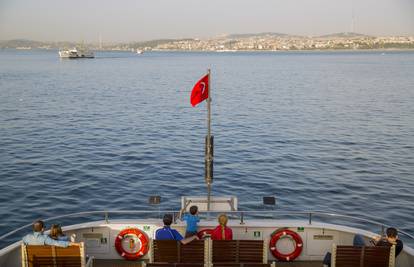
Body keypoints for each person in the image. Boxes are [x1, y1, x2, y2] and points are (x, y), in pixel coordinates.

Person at [322, 227, 404, 267]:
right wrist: (386, 239)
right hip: (380, 264)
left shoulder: (382, 243)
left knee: (357, 236)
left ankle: (355, 254)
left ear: (387, 235)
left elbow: (373, 249)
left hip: (366, 260)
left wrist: (379, 240)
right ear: (396, 236)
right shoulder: (399, 245)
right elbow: (394, 241)